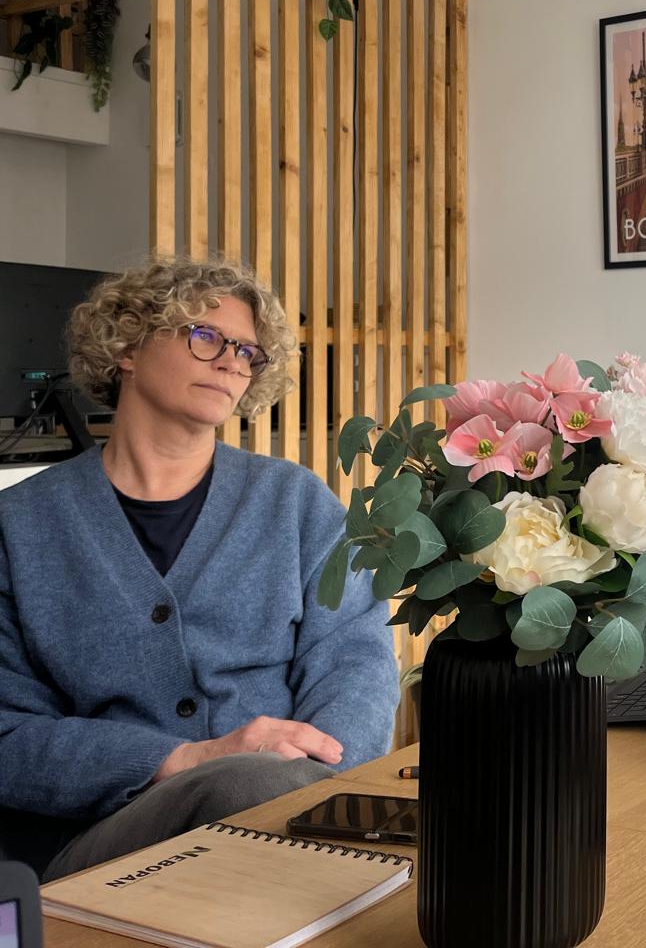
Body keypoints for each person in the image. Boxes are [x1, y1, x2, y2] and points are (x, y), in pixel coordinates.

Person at [0, 256, 399, 880]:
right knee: (245, 785)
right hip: (98, 845)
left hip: (289, 812)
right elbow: (8, 740)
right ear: (127, 346)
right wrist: (188, 758)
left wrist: (318, 789)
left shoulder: (297, 505)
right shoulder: (19, 526)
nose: (233, 362)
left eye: (248, 352)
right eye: (206, 336)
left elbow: (356, 663)